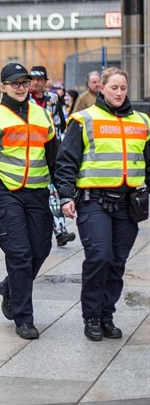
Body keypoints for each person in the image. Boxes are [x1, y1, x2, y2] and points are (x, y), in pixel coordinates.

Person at [54, 67, 150, 342]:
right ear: (101, 89)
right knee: (100, 257)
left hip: (129, 204)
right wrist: (65, 196)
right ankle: (92, 316)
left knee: (117, 263)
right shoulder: (84, 119)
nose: (119, 93)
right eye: (113, 88)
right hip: (93, 201)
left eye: (123, 88)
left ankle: (107, 315)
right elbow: (66, 162)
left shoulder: (142, 122)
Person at [0, 63, 58, 340]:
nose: (20, 87)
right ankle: (24, 317)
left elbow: (55, 158)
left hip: (37, 193)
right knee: (19, 255)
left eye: (24, 82)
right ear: (3, 87)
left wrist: (67, 192)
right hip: (5, 193)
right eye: (14, 83)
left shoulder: (43, 115)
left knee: (41, 249)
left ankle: (10, 287)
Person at [30, 65, 76, 247]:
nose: (35, 83)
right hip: (32, 151)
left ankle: (60, 231)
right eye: (32, 79)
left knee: (55, 191)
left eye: (39, 79)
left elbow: (61, 123)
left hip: (52, 149)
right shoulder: (25, 100)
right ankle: (47, 230)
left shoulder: (53, 98)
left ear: (45, 82)